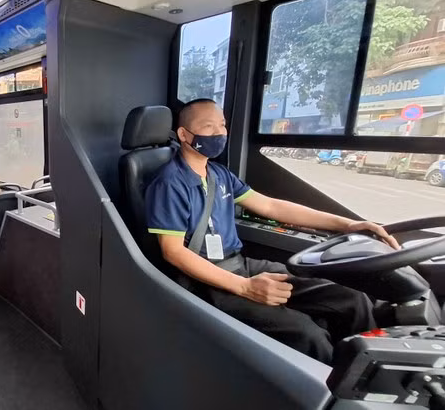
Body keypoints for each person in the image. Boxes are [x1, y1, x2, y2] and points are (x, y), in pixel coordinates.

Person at [145, 99, 399, 365]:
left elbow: (270, 205)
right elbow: (172, 252)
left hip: (240, 264)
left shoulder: (218, 174)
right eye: (208, 127)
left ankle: (371, 368)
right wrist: (244, 287)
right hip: (205, 281)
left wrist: (348, 224)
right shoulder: (169, 183)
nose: (219, 133)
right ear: (185, 135)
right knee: (308, 335)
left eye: (222, 125)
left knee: (351, 299)